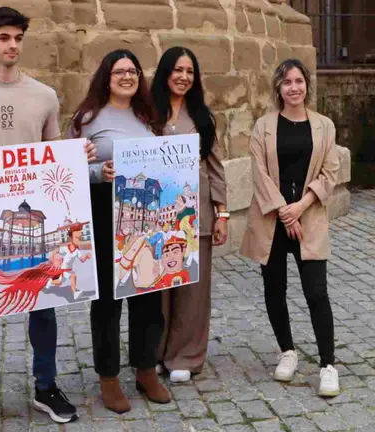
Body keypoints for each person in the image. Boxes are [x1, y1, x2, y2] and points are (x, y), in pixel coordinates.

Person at [0, 7, 96, 429]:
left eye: (18, 38)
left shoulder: (44, 95)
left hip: (38, 225)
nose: (11, 45)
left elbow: (54, 158)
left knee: (43, 308)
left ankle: (45, 385)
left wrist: (78, 156)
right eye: (4, 37)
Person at [67, 49, 171, 414]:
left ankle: (145, 369)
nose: (127, 76)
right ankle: (109, 378)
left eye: (133, 71)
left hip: (147, 218)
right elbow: (70, 169)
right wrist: (100, 173)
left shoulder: (149, 116)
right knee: (108, 303)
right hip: (104, 216)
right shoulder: (87, 119)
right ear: (106, 76)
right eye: (119, 71)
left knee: (148, 296)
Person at [241, 58, 340, 397]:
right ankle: (287, 351)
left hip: (308, 217)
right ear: (278, 88)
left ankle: (328, 364)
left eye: (299, 81)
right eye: (287, 82)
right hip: (272, 219)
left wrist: (300, 207)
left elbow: (330, 173)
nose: (294, 87)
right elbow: (259, 174)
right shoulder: (263, 126)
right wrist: (285, 211)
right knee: (274, 289)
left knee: (316, 292)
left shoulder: (325, 126)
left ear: (307, 85)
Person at [150, 47, 228, 383]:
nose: (183, 77)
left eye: (190, 72)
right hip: (155, 214)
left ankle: (185, 355)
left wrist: (222, 213)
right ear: (166, 73)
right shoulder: (146, 115)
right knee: (156, 287)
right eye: (177, 70)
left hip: (197, 215)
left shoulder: (202, 118)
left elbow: (215, 167)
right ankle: (152, 353)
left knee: (193, 290)